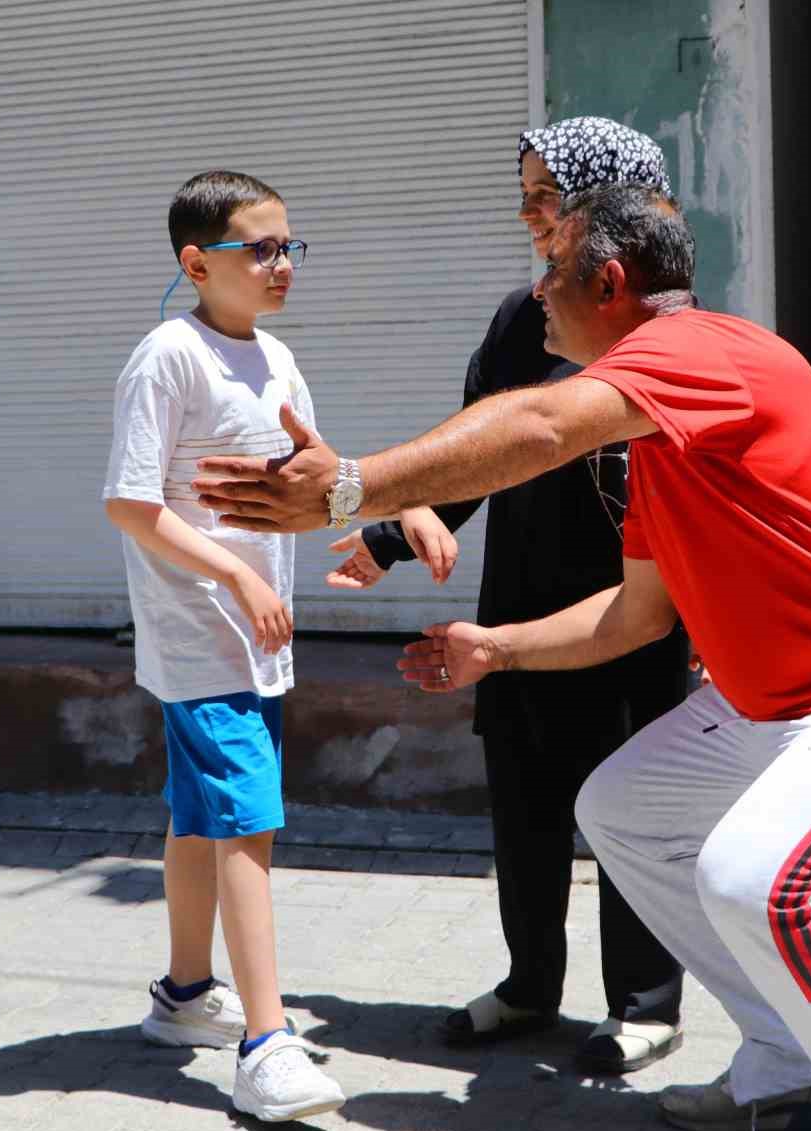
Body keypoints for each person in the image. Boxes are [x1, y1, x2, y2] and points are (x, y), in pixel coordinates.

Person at [189, 184, 811, 1131]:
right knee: (624, 806)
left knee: (760, 876)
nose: (534, 290)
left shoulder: (705, 352)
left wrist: (352, 486)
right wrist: (495, 648)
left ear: (610, 283)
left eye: (552, 266)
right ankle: (786, 1052)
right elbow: (633, 618)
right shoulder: (667, 444)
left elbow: (535, 421)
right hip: (784, 702)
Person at [325, 118, 691, 1073]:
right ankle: (531, 984)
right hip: (520, 604)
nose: (530, 215)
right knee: (525, 807)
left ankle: (645, 1001)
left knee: (630, 814)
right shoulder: (517, 319)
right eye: (525, 196)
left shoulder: (666, 332)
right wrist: (387, 535)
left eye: (546, 195)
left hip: (633, 613)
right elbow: (475, 453)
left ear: (607, 207)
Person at [101, 169, 344, 1123]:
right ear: (198, 263)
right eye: (261, 249)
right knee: (248, 820)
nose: (281, 264)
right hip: (201, 637)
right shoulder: (169, 356)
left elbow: (319, 475)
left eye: (290, 246)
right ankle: (265, 1044)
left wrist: (393, 521)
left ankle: (185, 994)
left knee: (202, 816)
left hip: (258, 639)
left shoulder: (276, 360)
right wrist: (237, 575)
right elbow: (130, 502)